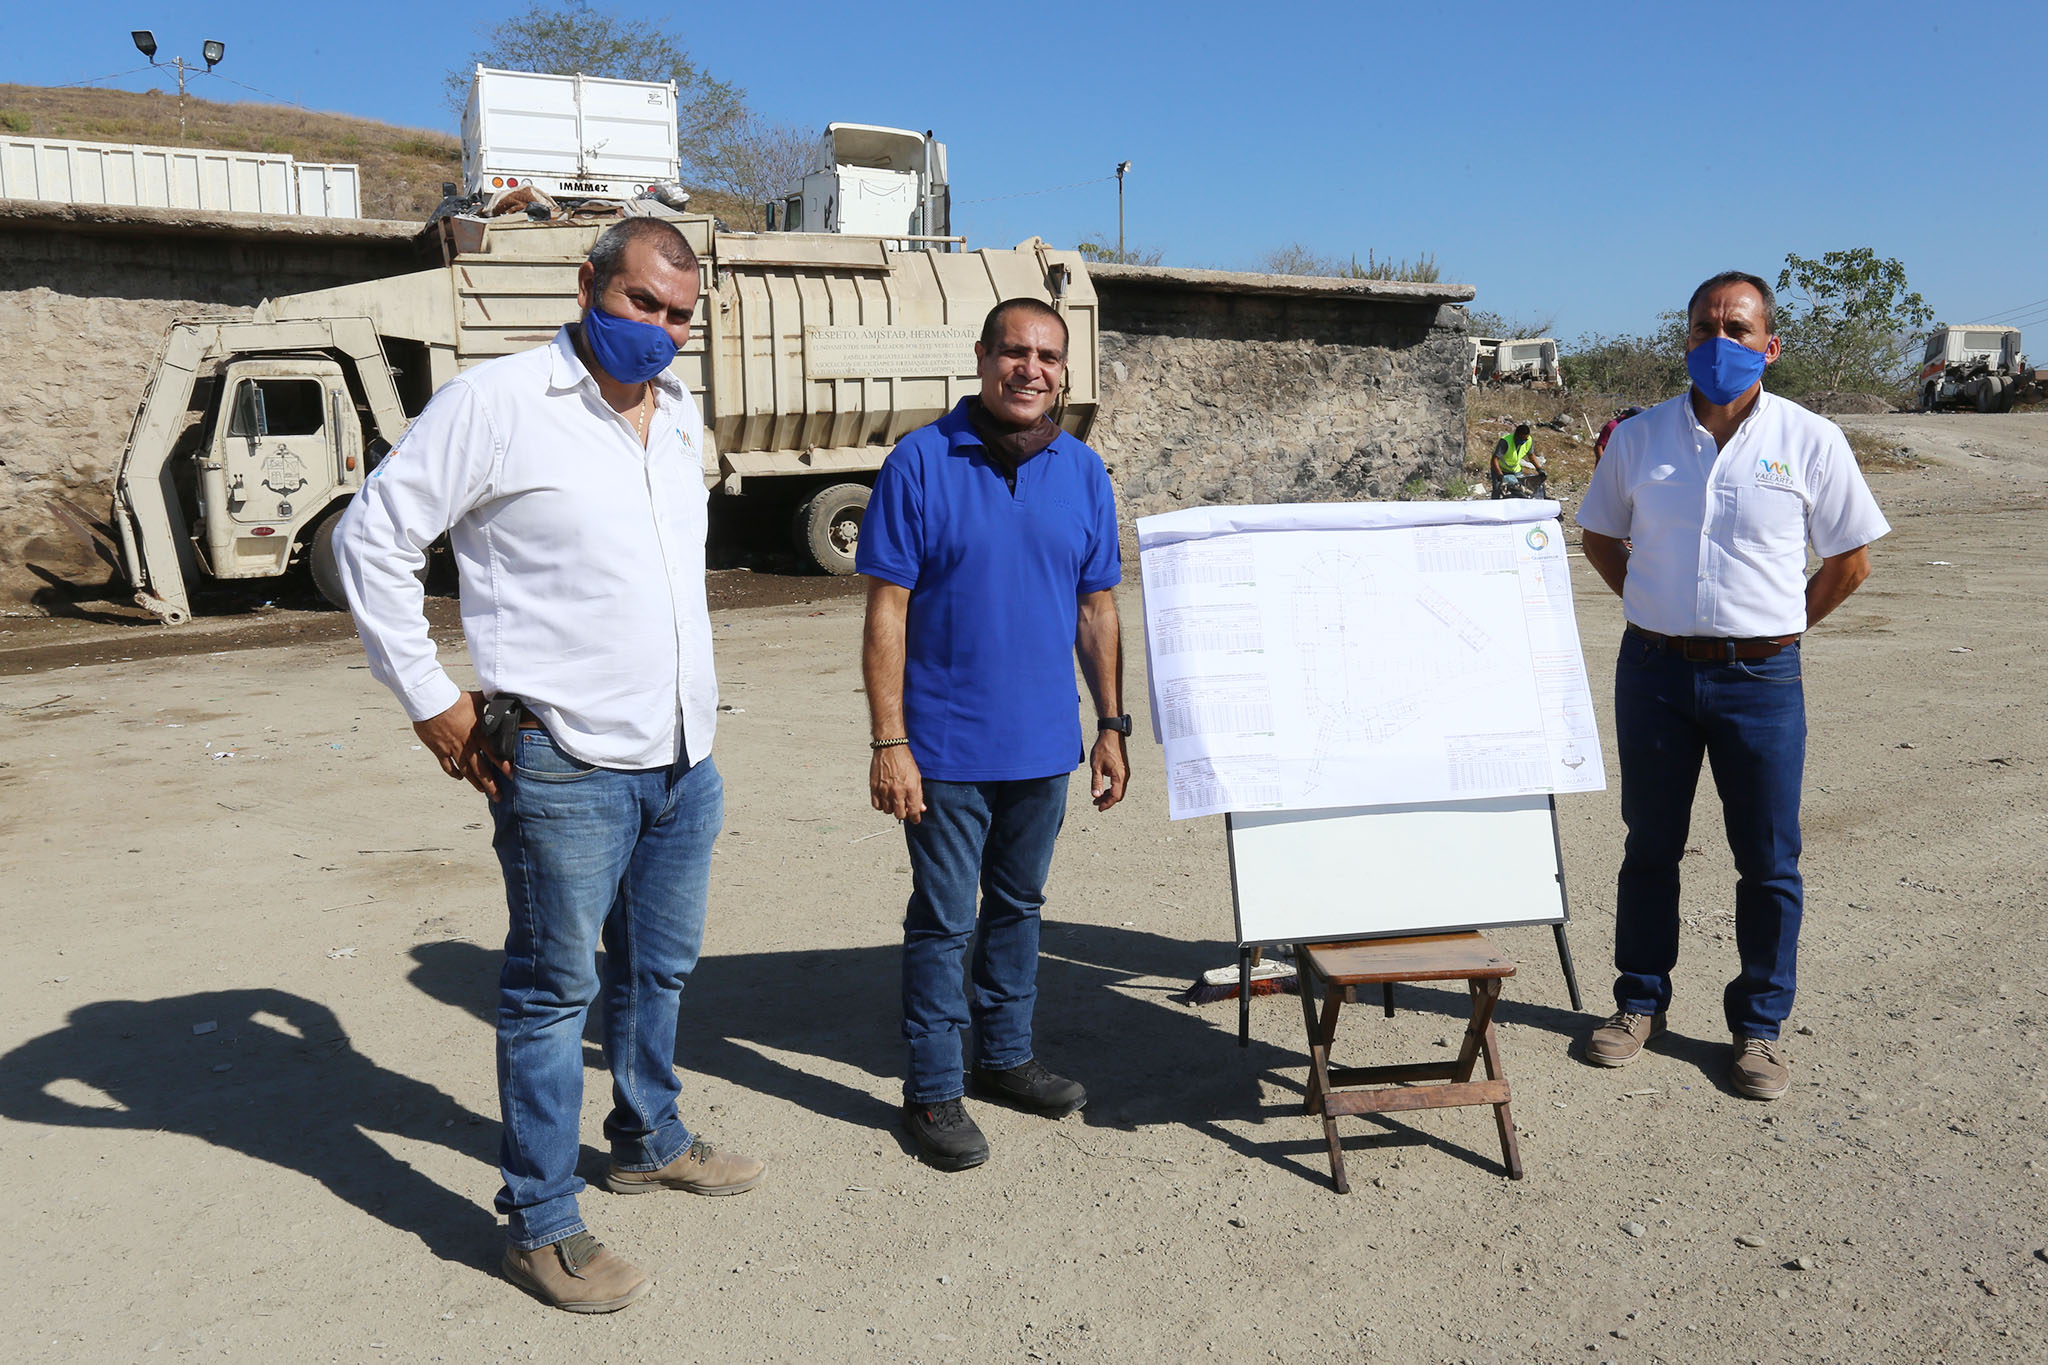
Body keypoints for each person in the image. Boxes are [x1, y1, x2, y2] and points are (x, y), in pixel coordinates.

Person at [329, 215, 763, 1314]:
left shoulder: (677, 416)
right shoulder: (498, 403)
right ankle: (539, 1222)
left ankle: (648, 1135)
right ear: (586, 286)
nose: (658, 329)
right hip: (565, 760)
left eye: (678, 315)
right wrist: (432, 699)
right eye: (639, 303)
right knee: (550, 993)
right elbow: (370, 540)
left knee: (658, 969)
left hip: (682, 756)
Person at [1573, 269, 1889, 1101]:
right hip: (1655, 672)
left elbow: (1851, 559)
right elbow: (1600, 535)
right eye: (1705, 328)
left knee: (1769, 858)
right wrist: (1650, 604)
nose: (1720, 342)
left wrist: (1780, 628)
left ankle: (1760, 1026)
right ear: (1685, 339)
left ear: (1769, 346)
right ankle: (1639, 1003)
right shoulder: (1639, 438)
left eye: (1738, 329)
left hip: (1762, 679)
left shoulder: (1812, 440)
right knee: (1650, 845)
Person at [857, 297, 1129, 1172]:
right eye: (1015, 351)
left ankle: (1005, 1055)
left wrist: (1112, 724)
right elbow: (887, 609)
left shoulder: (1082, 472)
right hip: (944, 749)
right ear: (981, 357)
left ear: (1063, 371)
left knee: (1018, 908)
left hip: (1044, 746)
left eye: (1048, 356)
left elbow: (1096, 608)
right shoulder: (920, 462)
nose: (1031, 369)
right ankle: (934, 1088)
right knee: (943, 920)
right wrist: (890, 740)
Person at [1491, 422, 1544, 498]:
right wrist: (1500, 475)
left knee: (1518, 490)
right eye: (1521, 438)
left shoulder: (1529, 440)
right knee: (1497, 490)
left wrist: (1539, 469)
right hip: (1500, 469)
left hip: (1515, 470)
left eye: (1525, 439)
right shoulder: (1506, 441)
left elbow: (1531, 455)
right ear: (1516, 435)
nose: (1523, 441)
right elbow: (1495, 459)